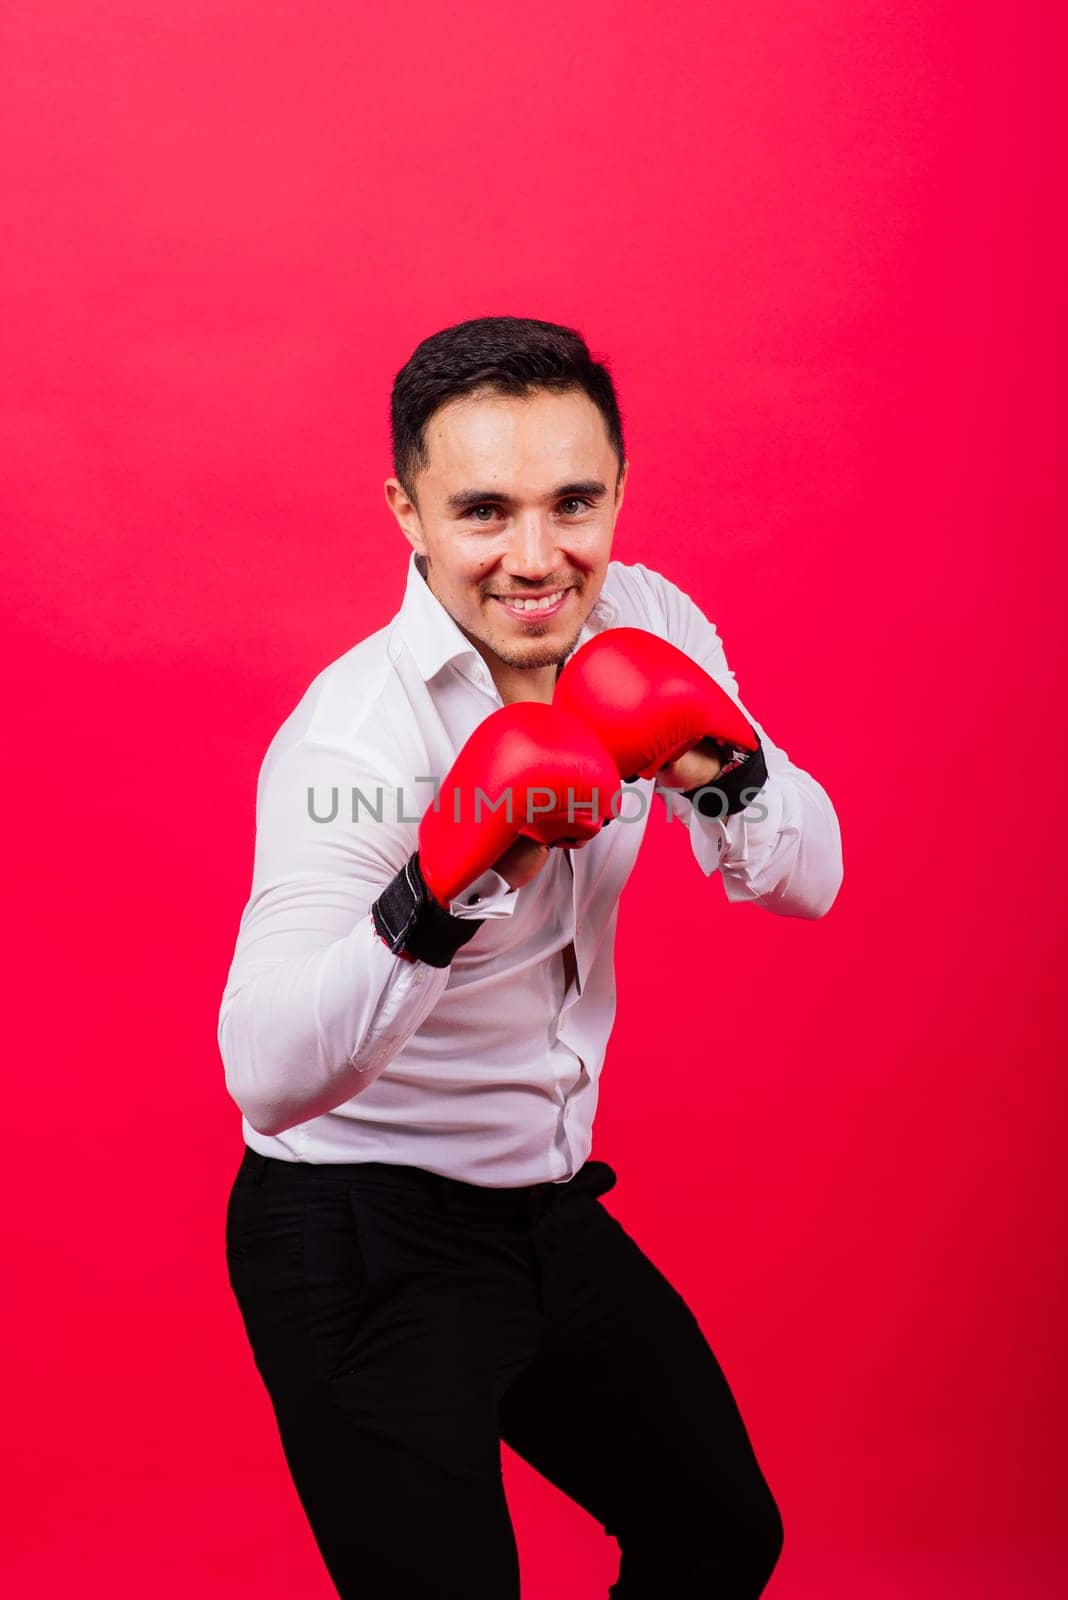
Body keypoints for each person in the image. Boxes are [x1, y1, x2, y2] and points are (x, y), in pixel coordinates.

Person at [218, 314, 843, 1599]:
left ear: (619, 488)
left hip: (542, 1210)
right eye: (484, 511)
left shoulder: (646, 619)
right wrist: (442, 884)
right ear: (408, 510)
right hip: (358, 1229)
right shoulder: (353, 742)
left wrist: (719, 767)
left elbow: (811, 882)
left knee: (719, 1530)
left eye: (575, 501)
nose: (537, 558)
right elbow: (265, 1074)